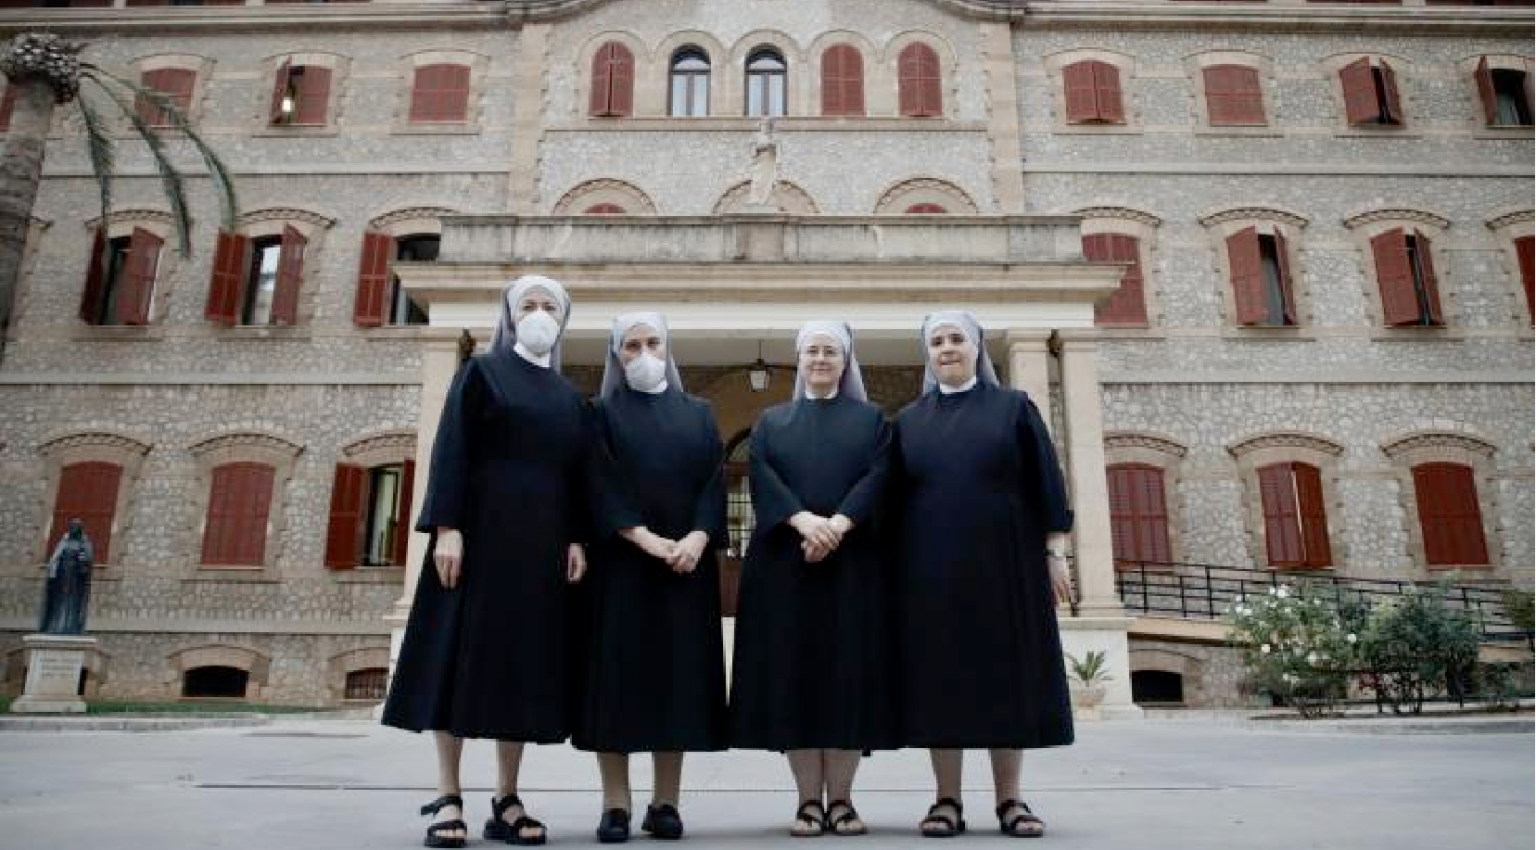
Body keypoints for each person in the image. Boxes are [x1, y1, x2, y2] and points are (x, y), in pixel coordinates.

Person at [381, 275, 589, 849]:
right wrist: (447, 527)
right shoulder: (480, 373)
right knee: (457, 660)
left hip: (540, 548)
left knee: (516, 668)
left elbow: (577, 474)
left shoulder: (570, 397)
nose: (539, 314)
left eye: (550, 306)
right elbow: (451, 448)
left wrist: (576, 537)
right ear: (511, 315)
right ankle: (449, 794)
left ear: (563, 320)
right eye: (529, 305)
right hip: (476, 539)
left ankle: (507, 797)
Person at [890, 310, 1075, 840]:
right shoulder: (908, 421)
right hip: (931, 575)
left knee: (1005, 679)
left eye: (957, 339)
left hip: (1006, 568)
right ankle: (946, 800)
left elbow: (1047, 482)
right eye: (937, 341)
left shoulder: (1014, 408)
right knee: (940, 683)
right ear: (928, 353)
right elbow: (892, 503)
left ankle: (1010, 800)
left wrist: (1055, 552)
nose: (947, 348)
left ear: (976, 348)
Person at [729, 321, 896, 837]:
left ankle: (841, 800)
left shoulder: (872, 421)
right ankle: (807, 801)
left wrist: (838, 525)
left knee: (847, 680)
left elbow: (880, 476)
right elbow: (762, 476)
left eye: (830, 351)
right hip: (787, 566)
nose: (821, 359)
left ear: (845, 362)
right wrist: (804, 521)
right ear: (800, 360)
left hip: (852, 568)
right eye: (812, 351)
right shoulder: (771, 422)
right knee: (796, 680)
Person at [575, 312, 728, 844]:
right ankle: (616, 803)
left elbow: (714, 481)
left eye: (652, 343)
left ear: (667, 348)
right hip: (621, 567)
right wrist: (642, 537)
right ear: (617, 355)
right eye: (632, 345)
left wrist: (699, 537)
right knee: (615, 685)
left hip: (686, 568)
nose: (643, 353)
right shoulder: (599, 413)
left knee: (676, 686)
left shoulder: (699, 413)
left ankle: (667, 802)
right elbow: (598, 482)